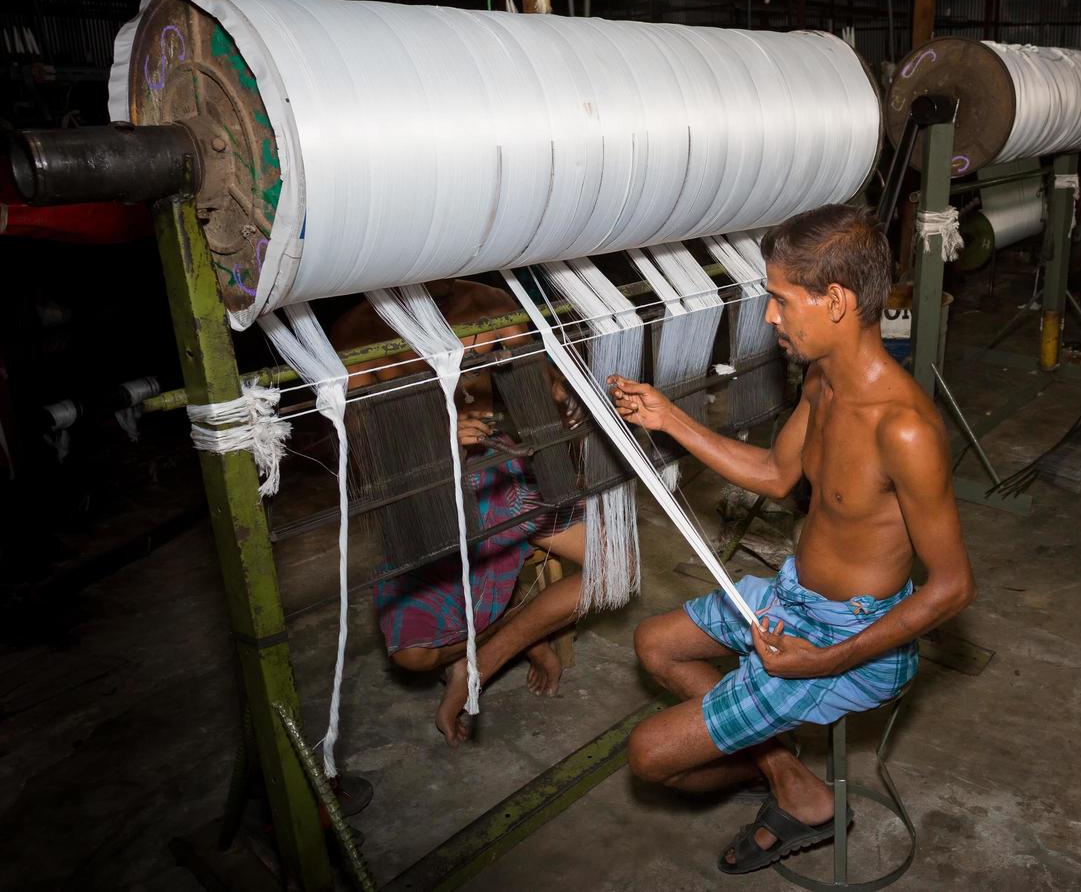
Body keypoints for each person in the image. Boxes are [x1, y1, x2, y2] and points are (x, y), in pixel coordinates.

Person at [608, 204, 975, 873]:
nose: (771, 317)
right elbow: (779, 474)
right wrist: (668, 419)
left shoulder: (905, 430)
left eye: (780, 300)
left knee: (650, 757)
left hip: (850, 639)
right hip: (795, 595)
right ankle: (791, 783)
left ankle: (777, 775)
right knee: (654, 646)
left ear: (834, 301)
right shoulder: (823, 379)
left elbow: (953, 587)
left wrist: (826, 661)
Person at [332, 278, 586, 746]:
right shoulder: (359, 334)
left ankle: (482, 661)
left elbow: (540, 379)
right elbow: (360, 442)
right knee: (412, 657)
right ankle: (521, 637)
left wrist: (564, 399)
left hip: (500, 474)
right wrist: (439, 444)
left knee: (613, 570)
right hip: (424, 490)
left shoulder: (489, 305)